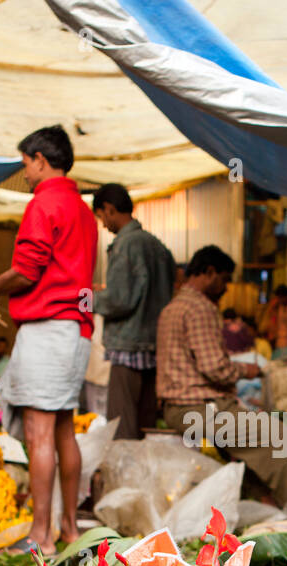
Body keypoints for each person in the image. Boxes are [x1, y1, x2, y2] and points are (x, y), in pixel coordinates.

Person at [0, 125, 97, 555]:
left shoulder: (45, 204)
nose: (25, 176)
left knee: (39, 435)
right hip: (77, 329)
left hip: (48, 328)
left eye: (25, 166)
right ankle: (70, 530)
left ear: (40, 158)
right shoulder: (84, 210)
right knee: (63, 432)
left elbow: (27, 271)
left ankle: (41, 536)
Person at [158, 246, 287, 508]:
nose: (226, 288)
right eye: (225, 279)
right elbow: (215, 368)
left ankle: (265, 502)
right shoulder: (199, 308)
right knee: (279, 435)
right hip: (198, 410)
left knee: (253, 442)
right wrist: (245, 370)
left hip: (178, 408)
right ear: (209, 272)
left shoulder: (173, 307)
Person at [91, 182, 176, 440]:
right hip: (153, 347)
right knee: (145, 424)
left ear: (109, 209)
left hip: (127, 350)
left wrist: (85, 298)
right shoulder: (158, 246)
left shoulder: (125, 244)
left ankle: (125, 480)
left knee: (122, 427)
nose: (103, 224)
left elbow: (119, 300)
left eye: (101, 217)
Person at [258, 284, 287, 359]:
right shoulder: (277, 308)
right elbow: (272, 323)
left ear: (286, 296)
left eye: (280, 297)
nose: (279, 299)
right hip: (279, 345)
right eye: (278, 297)